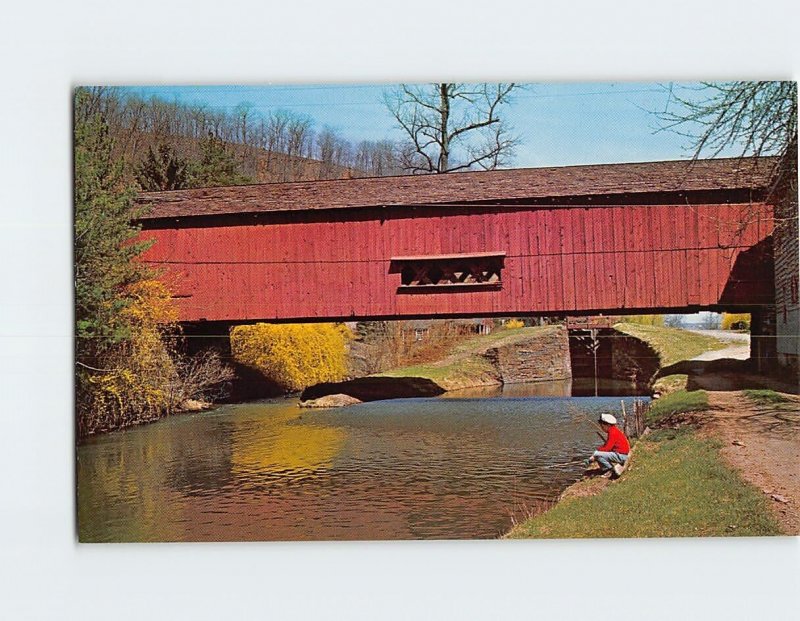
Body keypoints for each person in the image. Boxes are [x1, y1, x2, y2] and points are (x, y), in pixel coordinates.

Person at [588, 413, 630, 477]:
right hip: (621, 454)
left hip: (622, 456)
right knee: (597, 453)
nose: (602, 428)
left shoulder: (612, 432)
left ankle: (609, 469)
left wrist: (595, 454)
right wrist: (598, 451)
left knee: (597, 454)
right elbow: (607, 445)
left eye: (602, 426)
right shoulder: (613, 430)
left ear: (607, 425)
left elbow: (607, 448)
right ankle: (606, 469)